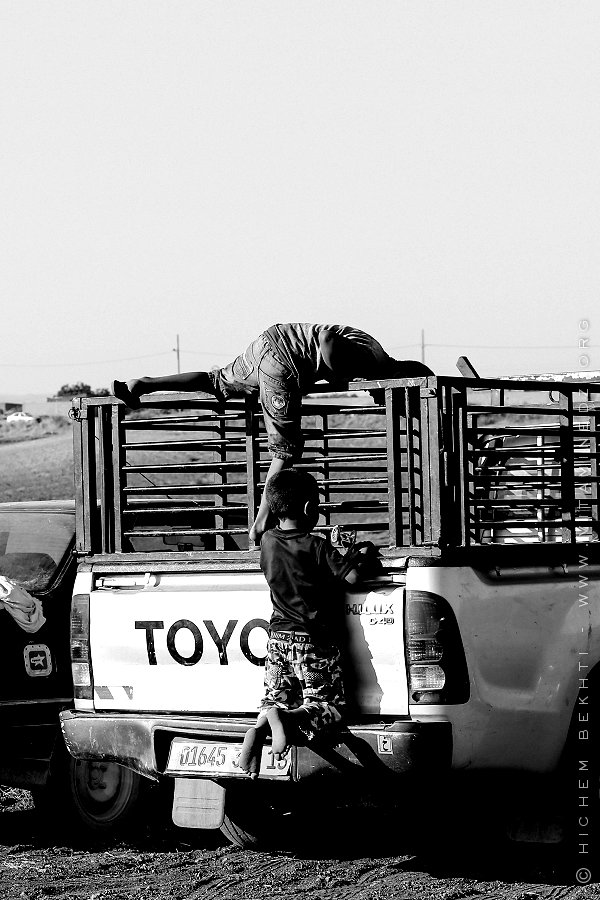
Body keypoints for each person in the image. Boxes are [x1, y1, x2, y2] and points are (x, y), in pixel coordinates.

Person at [111, 322, 432, 541]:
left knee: (217, 381)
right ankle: (261, 523)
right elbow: (327, 342)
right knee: (286, 450)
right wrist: (337, 377)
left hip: (268, 342)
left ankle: (143, 384)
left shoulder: (374, 347)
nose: (377, 398)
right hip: (283, 362)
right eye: (386, 397)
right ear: (401, 377)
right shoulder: (371, 359)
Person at [237, 468, 378, 778]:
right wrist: (358, 556)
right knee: (327, 705)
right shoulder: (316, 546)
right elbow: (353, 578)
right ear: (309, 508)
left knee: (275, 698)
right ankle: (286, 720)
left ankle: (260, 728)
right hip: (313, 642)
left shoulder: (268, 541)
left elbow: (259, 530)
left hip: (277, 639)